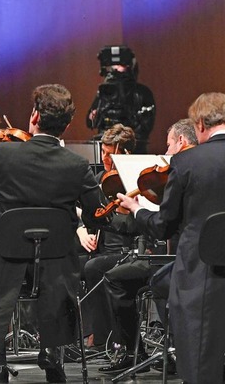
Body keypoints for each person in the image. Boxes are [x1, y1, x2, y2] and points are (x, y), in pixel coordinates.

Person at [0, 84, 109, 383]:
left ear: (34, 116)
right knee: (62, 267)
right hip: (54, 259)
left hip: (6, 256)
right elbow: (97, 213)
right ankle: (53, 353)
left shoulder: (4, 154)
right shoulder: (77, 165)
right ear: (66, 125)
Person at [118, 92, 225, 383]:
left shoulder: (187, 162)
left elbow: (164, 226)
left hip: (202, 273)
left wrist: (136, 210)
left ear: (199, 124)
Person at [98, 119, 197, 374]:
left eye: (168, 146)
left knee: (124, 279)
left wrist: (137, 209)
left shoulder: (181, 174)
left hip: (178, 259)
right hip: (187, 257)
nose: (165, 155)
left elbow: (163, 226)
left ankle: (148, 351)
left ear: (182, 142)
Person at [80, 123, 143, 352]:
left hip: (127, 251)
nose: (105, 159)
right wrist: (81, 230)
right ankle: (82, 333)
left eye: (110, 154)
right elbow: (82, 209)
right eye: (103, 153)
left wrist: (109, 219)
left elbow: (134, 226)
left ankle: (104, 338)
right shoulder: (99, 178)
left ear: (125, 153)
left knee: (94, 267)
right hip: (101, 247)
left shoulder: (135, 180)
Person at [86, 45, 155, 153]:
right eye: (112, 66)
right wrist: (95, 115)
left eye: (120, 65)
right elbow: (90, 122)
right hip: (105, 144)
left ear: (129, 67)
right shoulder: (105, 91)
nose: (115, 69)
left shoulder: (141, 93)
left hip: (132, 147)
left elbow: (145, 126)